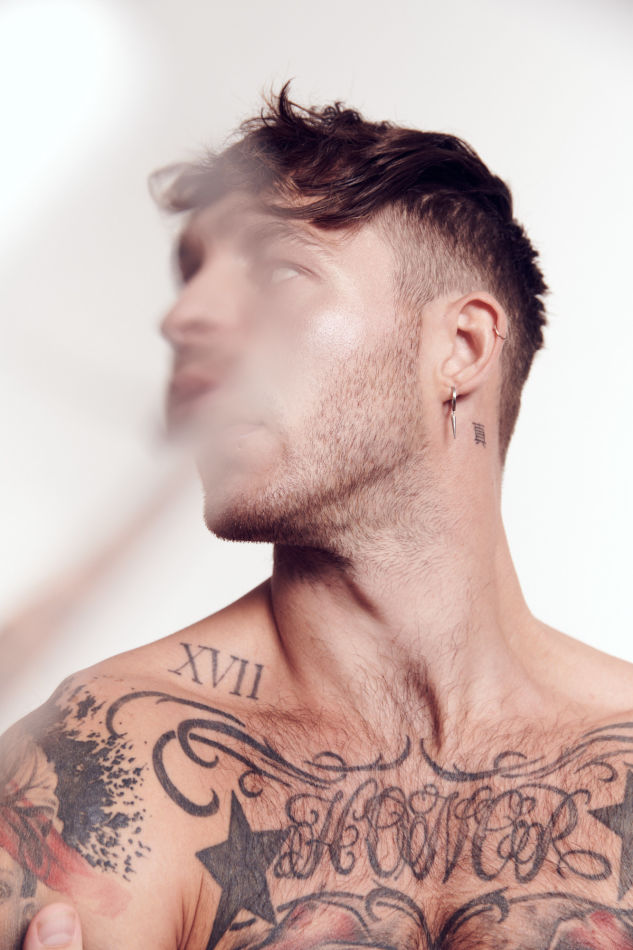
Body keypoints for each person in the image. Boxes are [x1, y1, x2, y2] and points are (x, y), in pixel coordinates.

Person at [7, 84, 633, 950]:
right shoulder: (104, 763)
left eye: (279, 272)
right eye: (193, 280)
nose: (186, 319)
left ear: (460, 348)